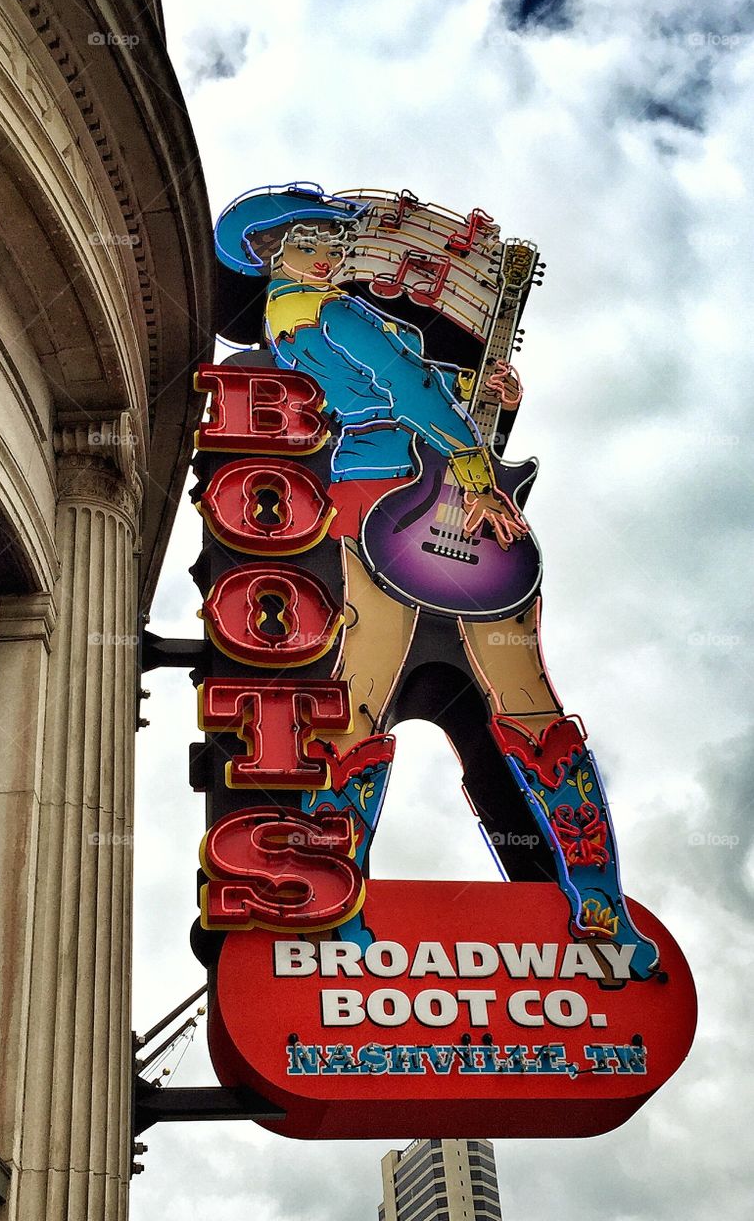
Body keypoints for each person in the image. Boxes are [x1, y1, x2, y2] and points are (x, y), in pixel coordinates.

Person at [214, 184, 659, 979]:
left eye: (334, 232)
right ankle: (598, 907)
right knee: (524, 703)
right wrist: (476, 468)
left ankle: (331, 914)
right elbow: (407, 390)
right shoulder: (331, 314)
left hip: (369, 505)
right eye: (312, 236)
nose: (331, 245)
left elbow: (408, 394)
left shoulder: (308, 321)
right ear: (272, 252)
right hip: (417, 496)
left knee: (358, 705)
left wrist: (486, 399)